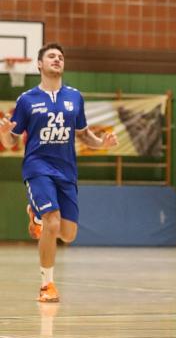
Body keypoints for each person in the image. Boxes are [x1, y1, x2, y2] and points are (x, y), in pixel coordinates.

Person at [0, 43, 118, 302]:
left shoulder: (75, 97)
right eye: (51, 56)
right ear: (40, 64)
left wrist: (102, 144)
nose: (57, 59)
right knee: (52, 221)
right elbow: (11, 142)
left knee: (68, 234)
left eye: (61, 57)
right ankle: (47, 285)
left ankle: (36, 216)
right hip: (37, 167)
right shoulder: (27, 100)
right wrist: (5, 133)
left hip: (66, 171)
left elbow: (84, 135)